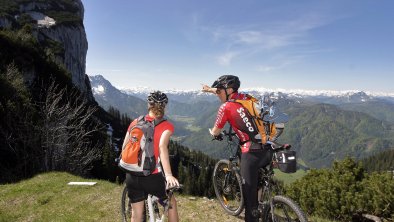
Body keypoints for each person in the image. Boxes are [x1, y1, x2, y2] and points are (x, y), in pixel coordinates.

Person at [202, 75, 273, 222]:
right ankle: (261, 203)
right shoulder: (247, 98)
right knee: (258, 181)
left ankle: (254, 212)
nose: (218, 94)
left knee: (249, 197)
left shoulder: (226, 107)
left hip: (251, 153)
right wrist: (210, 90)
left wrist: (214, 134)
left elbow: (216, 130)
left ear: (228, 90)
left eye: (220, 91)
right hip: (268, 148)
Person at [123, 91, 179, 222]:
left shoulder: (135, 122)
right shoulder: (166, 126)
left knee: (136, 215)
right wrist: (169, 174)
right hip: (151, 176)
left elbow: (125, 146)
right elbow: (162, 147)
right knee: (171, 204)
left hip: (132, 175)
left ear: (149, 105)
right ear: (164, 106)